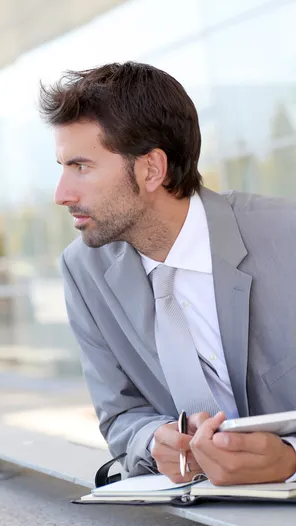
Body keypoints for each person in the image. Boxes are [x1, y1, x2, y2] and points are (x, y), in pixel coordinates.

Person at [39, 61, 296, 486]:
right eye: (62, 167)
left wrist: (290, 458)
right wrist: (153, 439)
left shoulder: (286, 237)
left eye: (81, 167)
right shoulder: (84, 269)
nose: (61, 194)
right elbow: (121, 414)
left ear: (151, 169)